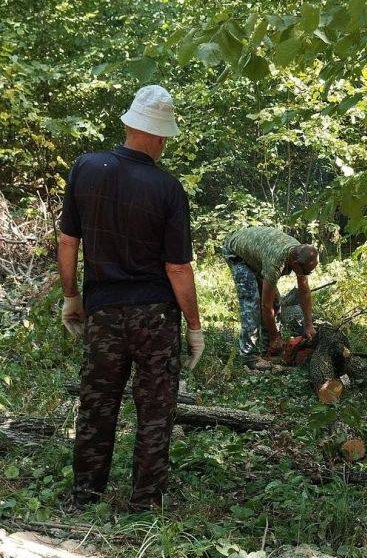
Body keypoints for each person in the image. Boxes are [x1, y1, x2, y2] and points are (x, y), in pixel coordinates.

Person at [58, 85, 204, 511]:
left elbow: (68, 241)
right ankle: (144, 503)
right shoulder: (168, 189)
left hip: (102, 312)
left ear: (127, 125)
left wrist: (71, 296)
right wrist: (194, 327)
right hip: (155, 319)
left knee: (97, 405)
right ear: (159, 137)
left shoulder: (85, 168)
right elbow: (177, 268)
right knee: (155, 411)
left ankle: (86, 496)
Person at [222, 226, 318, 367]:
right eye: (306, 272)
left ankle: (270, 350)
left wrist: (309, 325)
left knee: (276, 301)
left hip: (258, 253)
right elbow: (265, 306)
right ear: (295, 264)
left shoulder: (299, 252)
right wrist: (275, 337)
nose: (307, 275)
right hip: (237, 254)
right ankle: (249, 357)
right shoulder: (275, 263)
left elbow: (304, 292)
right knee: (252, 302)